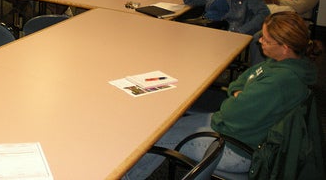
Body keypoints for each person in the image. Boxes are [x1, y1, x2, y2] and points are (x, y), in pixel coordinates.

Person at [124, 11, 322, 179]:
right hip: (233, 130)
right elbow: (238, 83)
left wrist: (235, 98)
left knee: (154, 139)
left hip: (239, 149)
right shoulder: (281, 63)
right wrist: (238, 94)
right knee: (163, 127)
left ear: (285, 47)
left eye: (266, 39)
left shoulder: (280, 82)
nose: (259, 41)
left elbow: (231, 113)